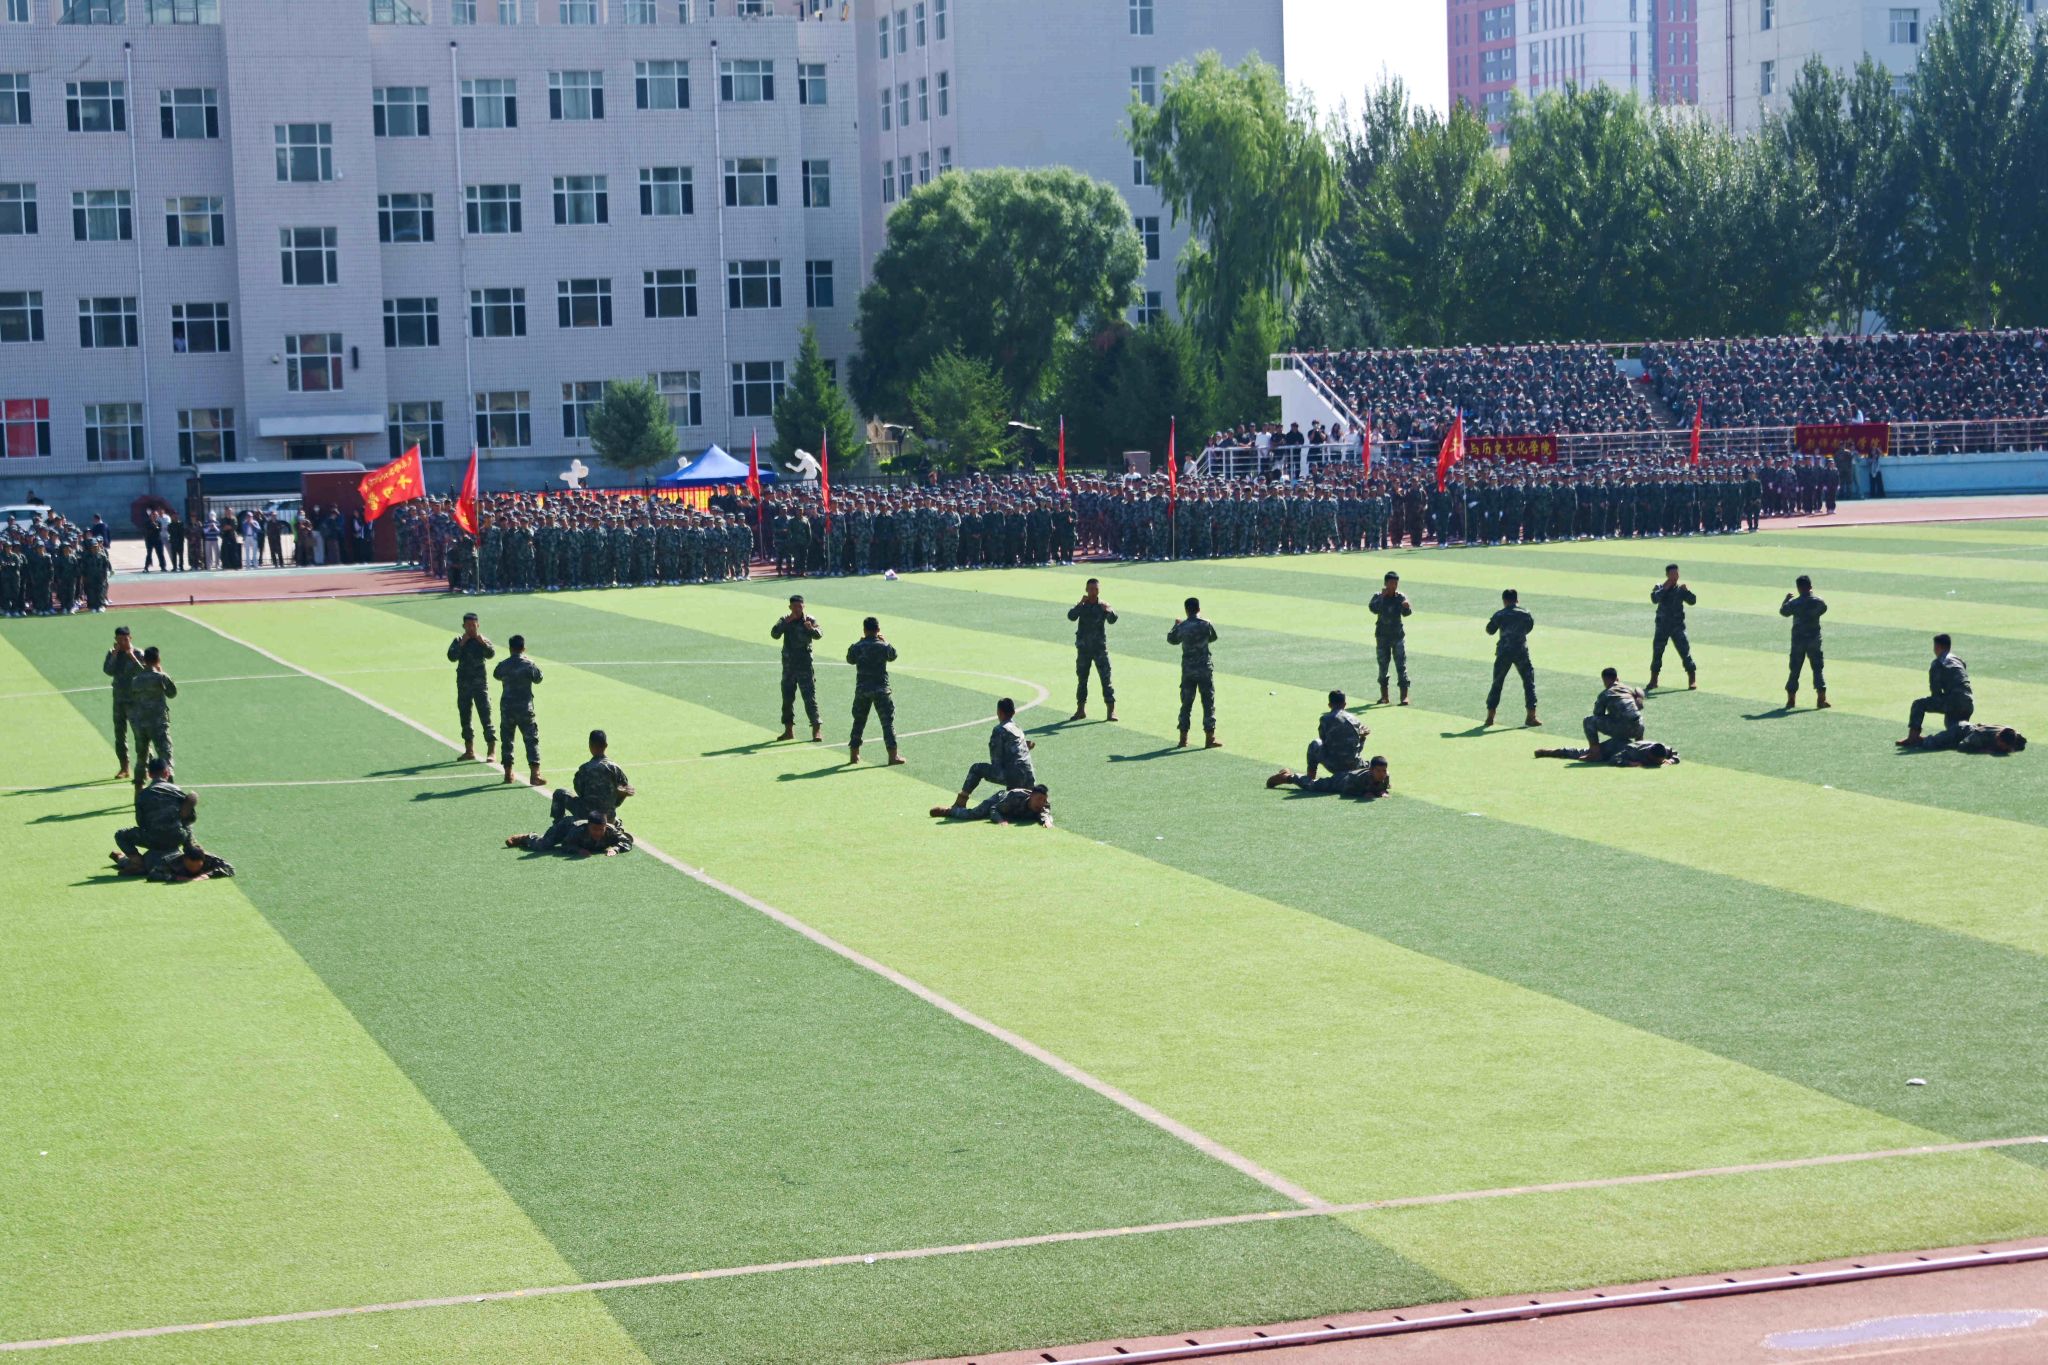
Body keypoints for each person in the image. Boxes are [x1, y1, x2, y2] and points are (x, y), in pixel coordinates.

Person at [111, 757, 194, 870]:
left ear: (149, 774)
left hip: (153, 839)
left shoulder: (143, 795)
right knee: (187, 824)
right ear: (167, 773)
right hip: (177, 837)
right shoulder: (177, 791)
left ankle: (136, 861)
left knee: (120, 835)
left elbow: (141, 822)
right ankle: (190, 849)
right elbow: (191, 818)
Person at [955, 697, 1036, 808]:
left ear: (999, 712)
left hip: (1014, 777)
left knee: (976, 768)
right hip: (1030, 778)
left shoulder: (999, 730)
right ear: (1014, 712)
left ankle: (960, 802)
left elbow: (996, 762)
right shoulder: (1018, 728)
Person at [845, 616, 904, 765]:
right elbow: (893, 655)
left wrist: (859, 642)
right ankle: (893, 756)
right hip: (881, 690)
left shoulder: (858, 647)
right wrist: (885, 641)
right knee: (887, 723)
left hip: (862, 689)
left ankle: (854, 755)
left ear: (864, 630)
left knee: (859, 721)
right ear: (878, 629)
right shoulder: (883, 646)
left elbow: (850, 659)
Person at [1898, 634, 1974, 748]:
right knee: (1954, 727)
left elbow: (1936, 692)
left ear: (1937, 647)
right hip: (1968, 703)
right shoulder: (1958, 660)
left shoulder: (1938, 663)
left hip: (1954, 701)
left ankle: (1913, 737)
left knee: (1918, 704)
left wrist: (1939, 698)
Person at [1168, 596, 1221, 749]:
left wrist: (1176, 625)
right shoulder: (1206, 624)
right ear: (1199, 609)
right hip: (1204, 669)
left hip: (1188, 670)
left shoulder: (1182, 626)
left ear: (1186, 610)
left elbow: (1172, 639)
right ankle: (1209, 738)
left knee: (1186, 703)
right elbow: (1213, 638)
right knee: (1208, 702)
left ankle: (1183, 739)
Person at [1484, 589, 1540, 729]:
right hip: (1521, 651)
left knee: (1497, 683)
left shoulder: (1500, 614)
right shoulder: (1525, 614)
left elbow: (1490, 630)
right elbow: (1529, 628)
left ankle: (1490, 717)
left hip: (1504, 652)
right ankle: (1531, 716)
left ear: (1504, 600)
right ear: (1517, 600)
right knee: (1529, 682)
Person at [552, 729, 635, 823]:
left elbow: (580, 792)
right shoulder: (616, 769)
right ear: (606, 745)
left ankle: (558, 825)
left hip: (585, 815)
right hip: (608, 817)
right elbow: (625, 790)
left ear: (590, 746)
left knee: (559, 793)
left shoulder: (584, 769)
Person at [771, 594, 824, 742]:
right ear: (790, 607)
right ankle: (788, 730)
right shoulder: (785, 619)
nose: (797, 609)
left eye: (799, 606)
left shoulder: (810, 620)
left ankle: (816, 730)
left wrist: (810, 629)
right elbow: (774, 634)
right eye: (794, 607)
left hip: (805, 666)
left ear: (803, 606)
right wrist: (786, 622)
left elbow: (819, 634)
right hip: (789, 667)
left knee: (810, 698)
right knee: (787, 699)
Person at [493, 634, 544, 786]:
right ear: (524, 648)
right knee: (531, 739)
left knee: (507, 740)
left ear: (510, 648)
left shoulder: (504, 664)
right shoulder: (529, 664)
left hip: (507, 708)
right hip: (524, 709)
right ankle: (535, 774)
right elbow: (539, 678)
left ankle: (508, 774)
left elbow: (496, 674)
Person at [448, 612, 498, 762]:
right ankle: (469, 750)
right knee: (465, 717)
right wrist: (462, 644)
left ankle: (491, 751)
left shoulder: (482, 640)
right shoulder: (458, 640)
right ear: (463, 626)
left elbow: (491, 654)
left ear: (478, 625)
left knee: (485, 716)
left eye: (473, 625)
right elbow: (451, 657)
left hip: (480, 685)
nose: (471, 628)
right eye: (468, 625)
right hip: (463, 685)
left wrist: (483, 643)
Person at [1067, 578, 1119, 722]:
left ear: (1099, 590)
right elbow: (1071, 616)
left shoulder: (1102, 606)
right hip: (1084, 649)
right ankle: (1080, 710)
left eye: (1095, 589)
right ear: (1086, 590)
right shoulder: (1082, 605)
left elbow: (1113, 619)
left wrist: (1108, 609)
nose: (1093, 592)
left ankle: (1111, 711)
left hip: (1099, 649)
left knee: (1106, 679)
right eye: (1090, 589)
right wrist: (1079, 604)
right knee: (1082, 680)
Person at [127, 645, 177, 786]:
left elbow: (133, 698)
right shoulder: (161, 677)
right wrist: (162, 672)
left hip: (141, 724)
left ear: (144, 660)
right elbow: (172, 693)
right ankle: (169, 789)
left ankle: (138, 789)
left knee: (141, 758)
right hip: (158, 724)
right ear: (158, 659)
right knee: (166, 756)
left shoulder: (136, 680)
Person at [1781, 574, 1830, 709]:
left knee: (1795, 669)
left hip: (1798, 640)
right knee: (1818, 668)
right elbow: (1823, 609)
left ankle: (1791, 700)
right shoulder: (1819, 602)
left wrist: (1786, 600)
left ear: (1798, 588)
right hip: (1814, 639)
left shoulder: (1794, 603)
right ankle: (1821, 699)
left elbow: (1784, 612)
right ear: (1810, 587)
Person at [506, 808, 635, 857]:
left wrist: (616, 849)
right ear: (588, 826)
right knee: (543, 845)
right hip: (565, 827)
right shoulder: (579, 830)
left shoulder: (610, 831)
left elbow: (627, 842)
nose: (598, 832)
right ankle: (526, 837)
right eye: (594, 829)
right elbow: (565, 845)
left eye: (601, 829)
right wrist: (578, 850)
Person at [1648, 564, 1698, 690]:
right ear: (1667, 575)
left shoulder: (1680, 589)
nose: (1675, 576)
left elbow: (1692, 601)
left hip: (1677, 626)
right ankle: (1654, 680)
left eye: (1676, 573)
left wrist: (1687, 591)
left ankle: (1692, 679)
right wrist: (1665, 588)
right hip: (1662, 626)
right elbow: (1654, 599)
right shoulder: (1659, 587)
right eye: (1672, 574)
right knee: (1657, 653)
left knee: (1685, 652)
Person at [1367, 572, 1413, 706]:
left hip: (1397, 636)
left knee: (1401, 665)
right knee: (1383, 666)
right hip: (1382, 636)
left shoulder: (1400, 597)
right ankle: (1384, 696)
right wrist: (1382, 597)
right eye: (1391, 583)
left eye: (1396, 583)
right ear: (1385, 583)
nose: (1394, 586)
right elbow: (1373, 609)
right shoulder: (1378, 596)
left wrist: (1407, 607)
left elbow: (1406, 613)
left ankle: (1404, 696)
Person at [102, 624, 140, 779]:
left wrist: (132, 657)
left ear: (130, 638)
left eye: (125, 639)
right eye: (119, 640)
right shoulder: (113, 653)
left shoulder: (138, 653)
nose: (123, 643)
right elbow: (108, 671)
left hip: (135, 700)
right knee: (119, 735)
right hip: (118, 700)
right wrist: (115, 655)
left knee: (140, 735)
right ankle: (124, 767)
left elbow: (143, 672)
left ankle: (145, 766)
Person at [1265, 753, 1393, 798]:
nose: (1382, 774)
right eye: (1378, 771)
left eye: (1384, 770)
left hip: (1348, 777)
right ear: (1371, 770)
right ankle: (1288, 777)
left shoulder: (1386, 776)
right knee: (1314, 786)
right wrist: (1364, 793)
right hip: (1341, 781)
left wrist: (1382, 791)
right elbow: (1348, 790)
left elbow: (1382, 787)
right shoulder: (1358, 778)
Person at [929, 783, 1053, 827]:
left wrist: (1047, 822)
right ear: (1031, 796)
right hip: (998, 800)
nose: (1041, 803)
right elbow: (994, 809)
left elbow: (1045, 814)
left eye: (1044, 800)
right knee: (975, 814)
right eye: (1039, 799)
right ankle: (949, 811)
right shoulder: (1014, 796)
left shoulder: (1044, 804)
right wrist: (999, 820)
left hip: (1010, 813)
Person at [1535, 739, 1682, 766]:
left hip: (1623, 742)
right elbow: (1614, 760)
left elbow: (1675, 753)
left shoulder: (1662, 749)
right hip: (1610, 748)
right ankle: (1549, 752)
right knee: (1580, 754)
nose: (1659, 763)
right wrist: (1629, 763)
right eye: (1657, 761)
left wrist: (1671, 760)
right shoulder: (1633, 752)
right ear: (1649, 755)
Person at [140, 843, 236, 882]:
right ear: (184, 859)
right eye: (191, 865)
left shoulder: (209, 858)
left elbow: (229, 868)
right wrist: (175, 877)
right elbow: (153, 874)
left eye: (198, 865)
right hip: (151, 859)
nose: (194, 869)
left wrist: (207, 875)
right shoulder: (172, 861)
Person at [1916, 722, 2026, 755]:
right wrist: (1982, 750)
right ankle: (1915, 739)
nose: (2004, 748)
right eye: (2002, 745)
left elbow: (2022, 742)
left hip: (1971, 730)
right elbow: (1962, 746)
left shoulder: (2014, 735)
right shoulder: (1980, 736)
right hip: (1960, 731)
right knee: (1931, 744)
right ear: (1998, 738)